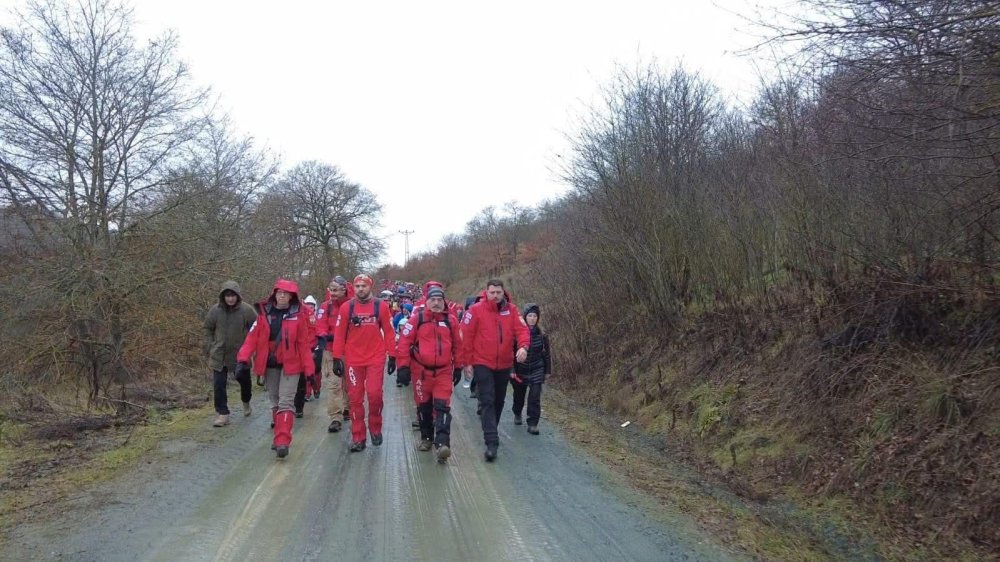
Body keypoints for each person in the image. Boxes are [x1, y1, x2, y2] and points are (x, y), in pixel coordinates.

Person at [236, 279, 315, 458]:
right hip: (270, 364)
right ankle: (278, 436)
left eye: (285, 293)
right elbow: (251, 339)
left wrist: (309, 370)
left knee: (286, 402)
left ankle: (282, 440)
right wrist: (242, 359)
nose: (282, 296)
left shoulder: (299, 316)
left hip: (292, 365)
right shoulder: (263, 314)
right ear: (274, 294)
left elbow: (303, 345)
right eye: (279, 292)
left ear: (292, 297)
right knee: (275, 401)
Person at [460, 279, 529, 461]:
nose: (496, 295)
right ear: (486, 292)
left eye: (498, 292)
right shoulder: (475, 310)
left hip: (504, 364)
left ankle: (491, 428)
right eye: (492, 292)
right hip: (482, 362)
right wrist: (466, 362)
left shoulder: (512, 310)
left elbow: (522, 330)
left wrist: (523, 347)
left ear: (503, 292)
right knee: (487, 399)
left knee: (498, 400)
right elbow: (466, 336)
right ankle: (491, 441)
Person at [395, 286, 463, 462]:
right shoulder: (416, 320)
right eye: (432, 300)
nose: (436, 303)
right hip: (421, 372)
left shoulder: (451, 321)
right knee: (424, 406)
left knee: (442, 406)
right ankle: (426, 437)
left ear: (444, 302)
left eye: (439, 300)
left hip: (443, 371)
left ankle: (442, 443)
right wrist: (402, 367)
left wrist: (459, 367)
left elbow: (458, 345)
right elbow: (404, 342)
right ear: (426, 302)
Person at [332, 274, 396, 452]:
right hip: (353, 359)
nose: (360, 289)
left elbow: (389, 332)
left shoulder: (380, 306)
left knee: (374, 394)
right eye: (357, 286)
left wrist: (393, 356)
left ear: (370, 287)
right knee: (355, 398)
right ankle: (358, 436)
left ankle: (375, 426)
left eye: (364, 286)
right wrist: (337, 358)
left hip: (375, 357)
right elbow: (339, 334)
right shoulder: (347, 308)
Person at [204, 281, 257, 427]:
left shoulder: (247, 310)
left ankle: (246, 401)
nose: (230, 299)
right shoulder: (215, 310)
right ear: (223, 296)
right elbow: (208, 328)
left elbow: (257, 328)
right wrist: (210, 345)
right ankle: (223, 413)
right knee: (219, 384)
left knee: (244, 380)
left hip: (241, 354)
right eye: (227, 296)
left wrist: (251, 347)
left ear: (238, 296)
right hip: (219, 354)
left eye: (233, 295)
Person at [316, 276, 353, 433]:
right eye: (331, 289)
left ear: (344, 289)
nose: (333, 293)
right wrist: (325, 336)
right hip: (330, 350)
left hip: (350, 350)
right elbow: (320, 325)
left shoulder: (353, 306)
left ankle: (347, 407)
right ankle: (335, 417)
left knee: (349, 382)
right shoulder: (325, 307)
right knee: (333, 384)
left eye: (336, 289)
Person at [511, 303, 551, 434]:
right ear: (525, 317)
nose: (532, 318)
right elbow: (510, 352)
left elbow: (546, 354)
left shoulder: (542, 335)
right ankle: (517, 413)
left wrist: (547, 371)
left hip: (537, 368)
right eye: (530, 315)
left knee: (534, 397)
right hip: (520, 370)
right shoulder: (517, 334)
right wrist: (511, 369)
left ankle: (533, 423)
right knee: (519, 396)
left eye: (535, 316)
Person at [293, 295, 320, 418]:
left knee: (315, 371)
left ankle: (316, 388)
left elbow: (315, 331)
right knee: (302, 376)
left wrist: (315, 346)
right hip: (297, 350)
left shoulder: (312, 316)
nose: (310, 307)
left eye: (312, 305)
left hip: (312, 347)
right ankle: (305, 395)